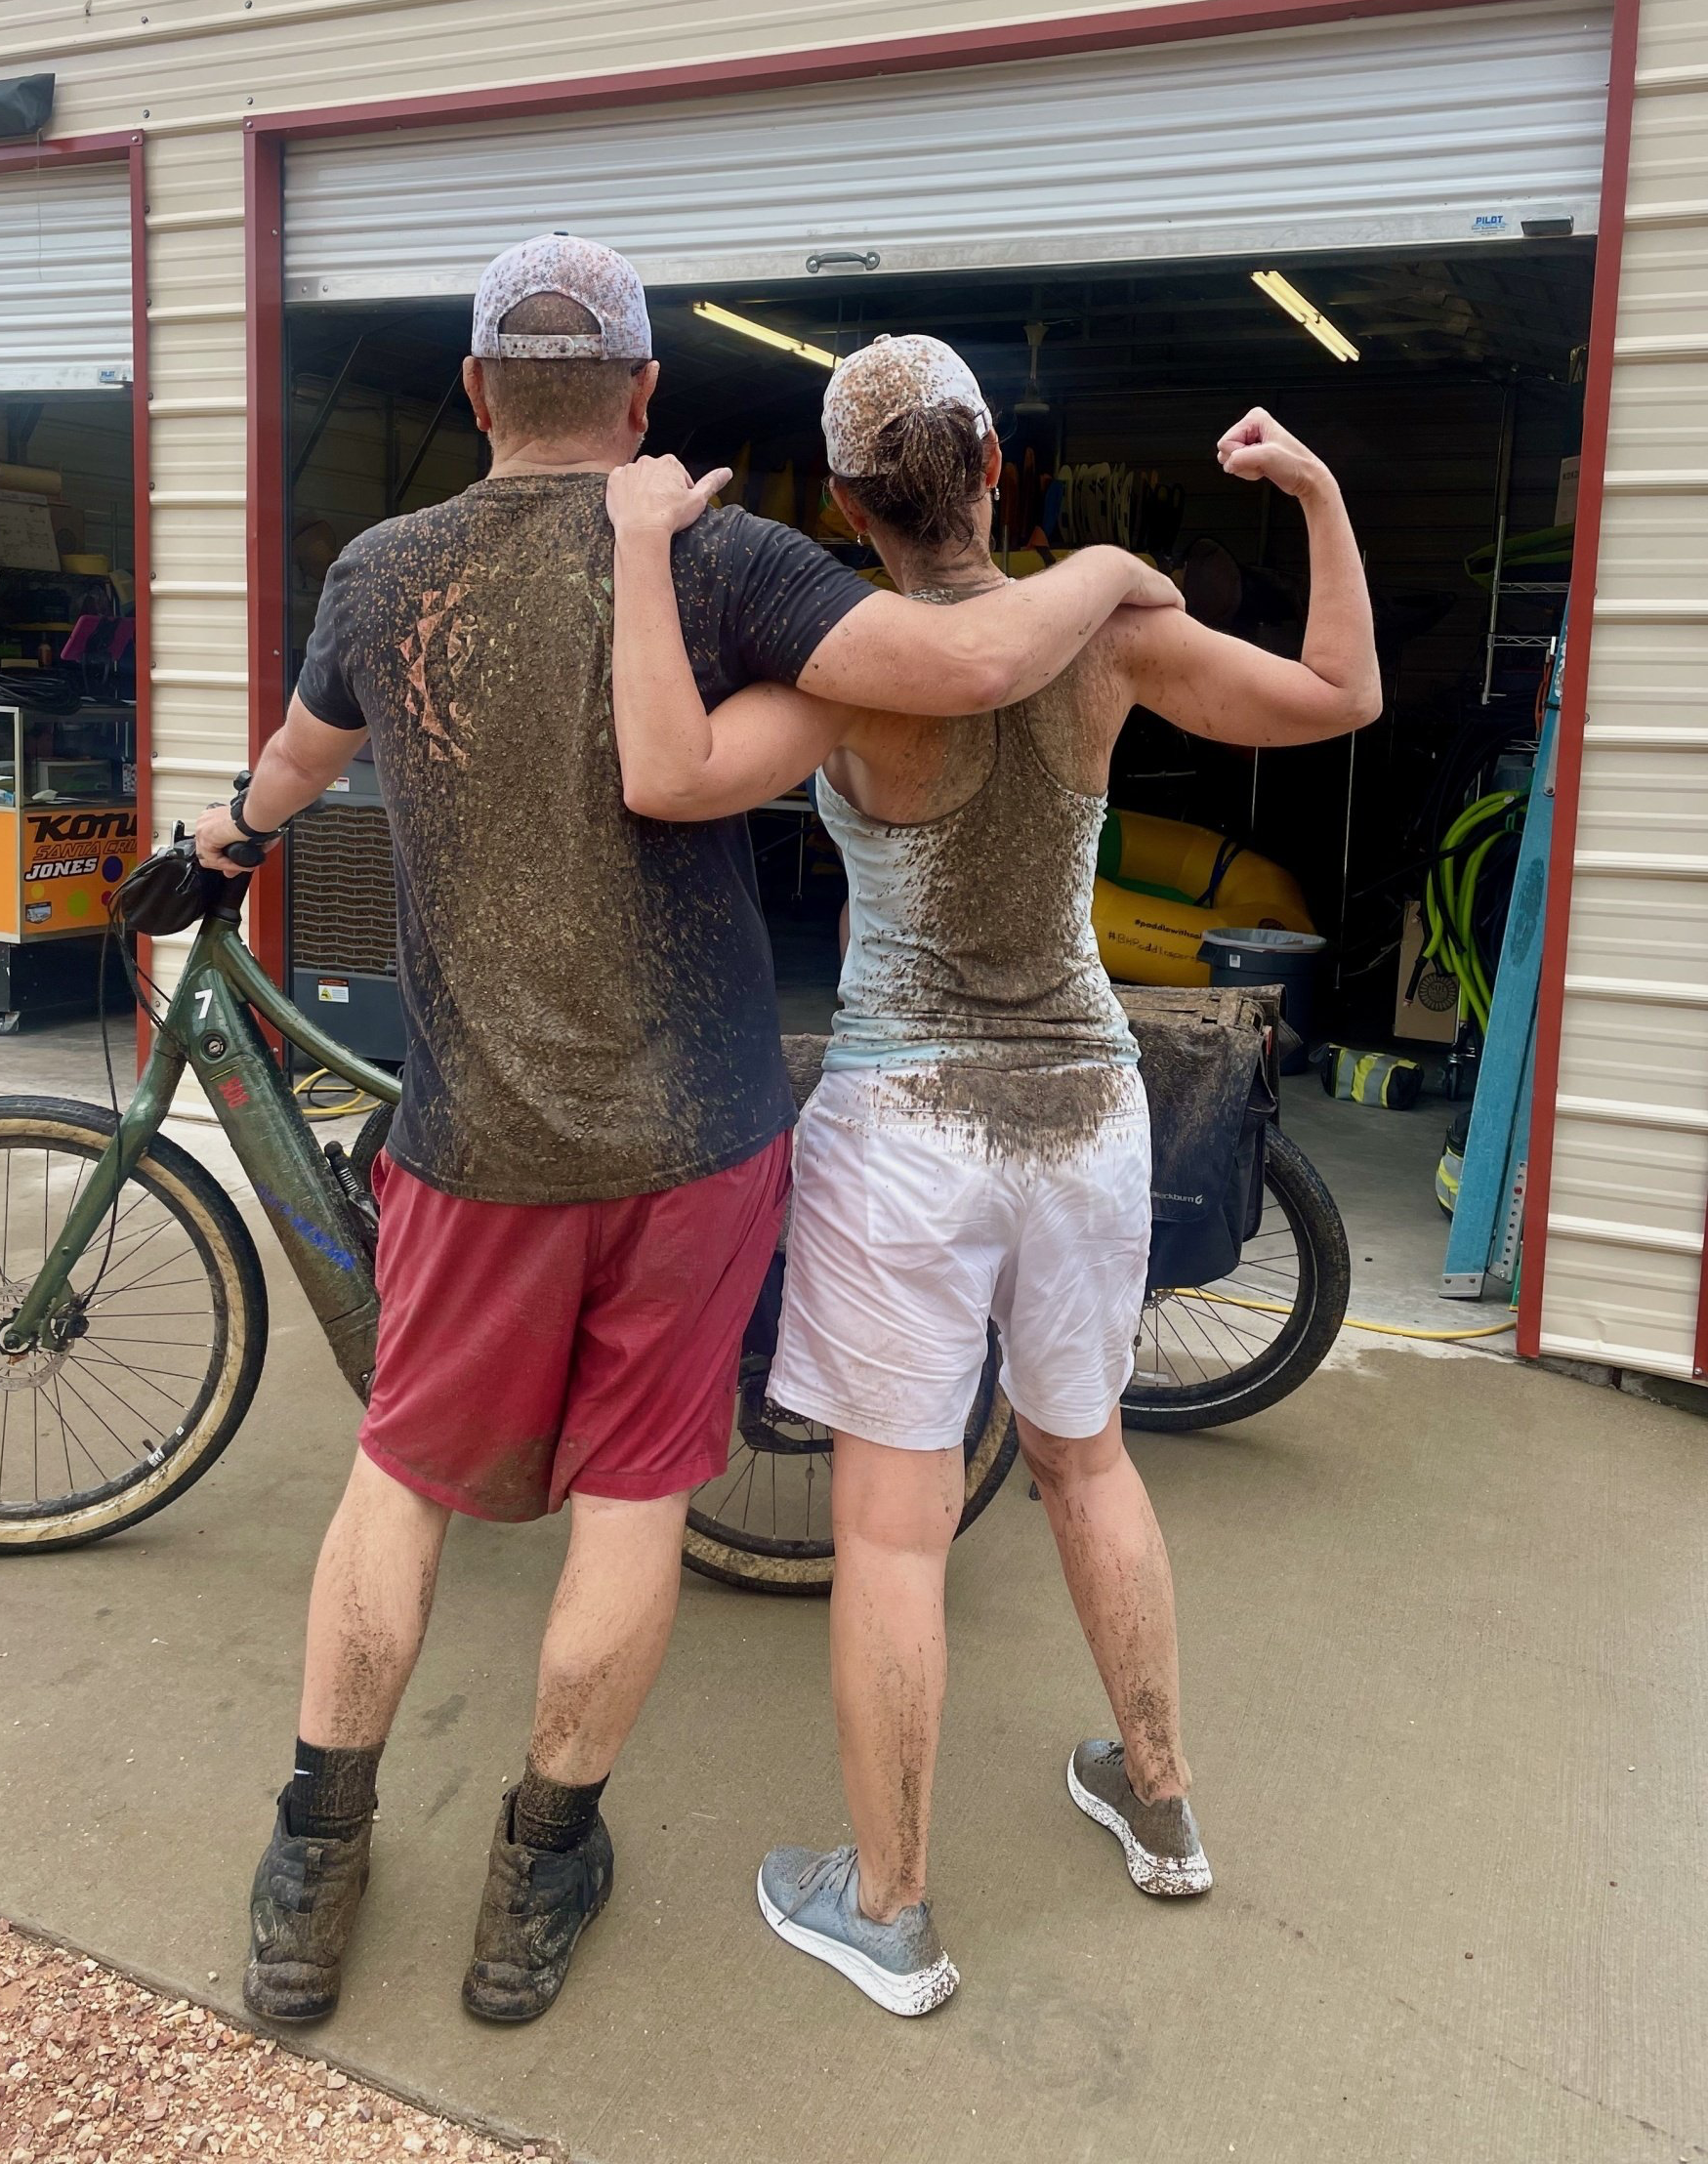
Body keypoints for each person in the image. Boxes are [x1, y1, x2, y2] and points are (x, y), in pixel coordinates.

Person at [193, 244, 1182, 2028]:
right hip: (698, 1138)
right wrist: (1108, 570)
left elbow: (295, 759)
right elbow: (963, 658)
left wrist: (221, 843)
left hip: (476, 1138)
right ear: (646, 400)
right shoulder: (728, 559)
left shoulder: (379, 573)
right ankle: (537, 1872)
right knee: (633, 1506)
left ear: (478, 392)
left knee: (398, 1487)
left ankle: (312, 1860)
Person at [604, 333, 1380, 2016]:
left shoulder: (842, 669)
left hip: (908, 1126)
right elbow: (1341, 698)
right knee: (1089, 1466)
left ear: (853, 505)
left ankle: (890, 1911)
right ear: (994, 472)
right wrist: (1314, 493)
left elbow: (662, 775)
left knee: (893, 1533)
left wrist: (643, 555)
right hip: (1086, 1108)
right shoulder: (1104, 636)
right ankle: (1162, 1808)